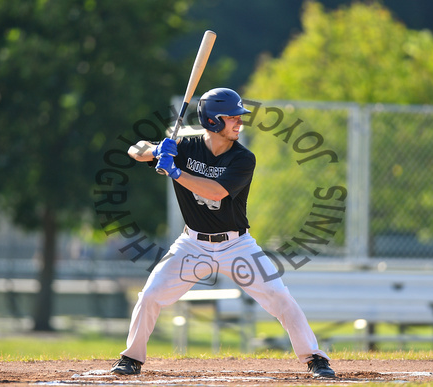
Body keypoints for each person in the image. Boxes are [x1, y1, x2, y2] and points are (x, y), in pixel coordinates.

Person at [112, 88, 335, 378]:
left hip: (236, 245)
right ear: (213, 121)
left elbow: (216, 192)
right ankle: (132, 358)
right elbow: (134, 149)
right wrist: (156, 151)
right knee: (151, 295)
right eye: (232, 118)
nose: (239, 123)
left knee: (279, 296)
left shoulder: (243, 159)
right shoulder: (185, 146)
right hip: (192, 245)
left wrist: (176, 173)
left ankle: (315, 358)